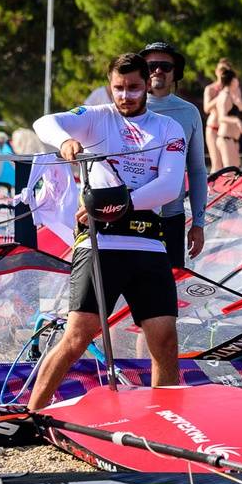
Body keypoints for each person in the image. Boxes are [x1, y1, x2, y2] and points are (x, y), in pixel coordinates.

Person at [26, 51, 187, 411]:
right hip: (101, 244)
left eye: (133, 88)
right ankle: (31, 412)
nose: (125, 96)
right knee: (78, 335)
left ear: (147, 85)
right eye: (118, 88)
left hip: (147, 244)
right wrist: (64, 142)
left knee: (164, 339)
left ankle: (165, 420)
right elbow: (43, 122)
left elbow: (170, 186)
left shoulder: (168, 129)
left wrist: (119, 204)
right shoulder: (96, 118)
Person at [141, 40, 209, 266]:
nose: (158, 70)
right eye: (152, 66)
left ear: (175, 74)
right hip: (133, 213)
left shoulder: (189, 112)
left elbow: (198, 171)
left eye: (165, 66)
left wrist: (198, 223)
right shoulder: (126, 108)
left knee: (168, 293)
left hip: (172, 217)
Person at [203, 59, 242, 171]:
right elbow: (206, 108)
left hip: (228, 130)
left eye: (226, 70)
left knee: (232, 165)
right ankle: (211, 188)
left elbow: (241, 106)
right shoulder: (211, 88)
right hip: (214, 127)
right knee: (216, 164)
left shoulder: (233, 88)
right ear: (216, 71)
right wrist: (220, 97)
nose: (223, 72)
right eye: (221, 69)